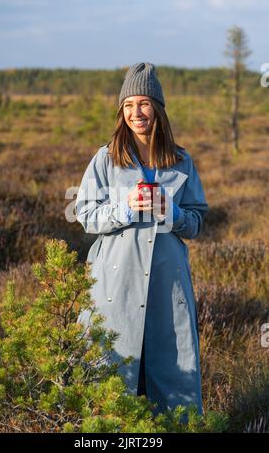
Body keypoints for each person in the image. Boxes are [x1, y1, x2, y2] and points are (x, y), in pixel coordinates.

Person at [74, 62, 209, 417]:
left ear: (158, 109)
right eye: (129, 105)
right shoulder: (106, 158)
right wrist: (125, 207)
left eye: (144, 103)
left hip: (168, 286)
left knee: (169, 372)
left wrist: (172, 213)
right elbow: (85, 214)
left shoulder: (181, 161)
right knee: (111, 371)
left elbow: (196, 223)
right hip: (115, 285)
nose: (137, 113)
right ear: (122, 111)